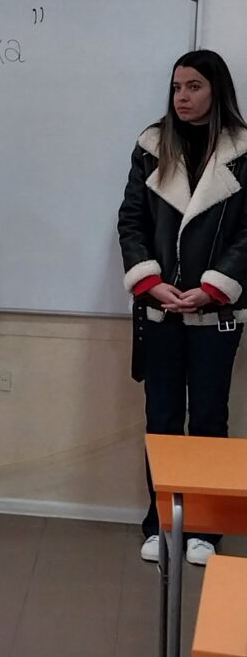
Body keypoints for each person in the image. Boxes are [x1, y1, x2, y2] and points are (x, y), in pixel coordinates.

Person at [118, 49, 247, 566]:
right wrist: (150, 282)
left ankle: (206, 529)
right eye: (176, 87)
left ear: (217, 90)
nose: (182, 97)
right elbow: (131, 220)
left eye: (194, 87)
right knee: (163, 417)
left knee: (210, 417)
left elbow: (246, 233)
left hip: (217, 314)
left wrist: (214, 286)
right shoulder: (152, 146)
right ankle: (161, 522)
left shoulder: (242, 149)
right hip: (161, 310)